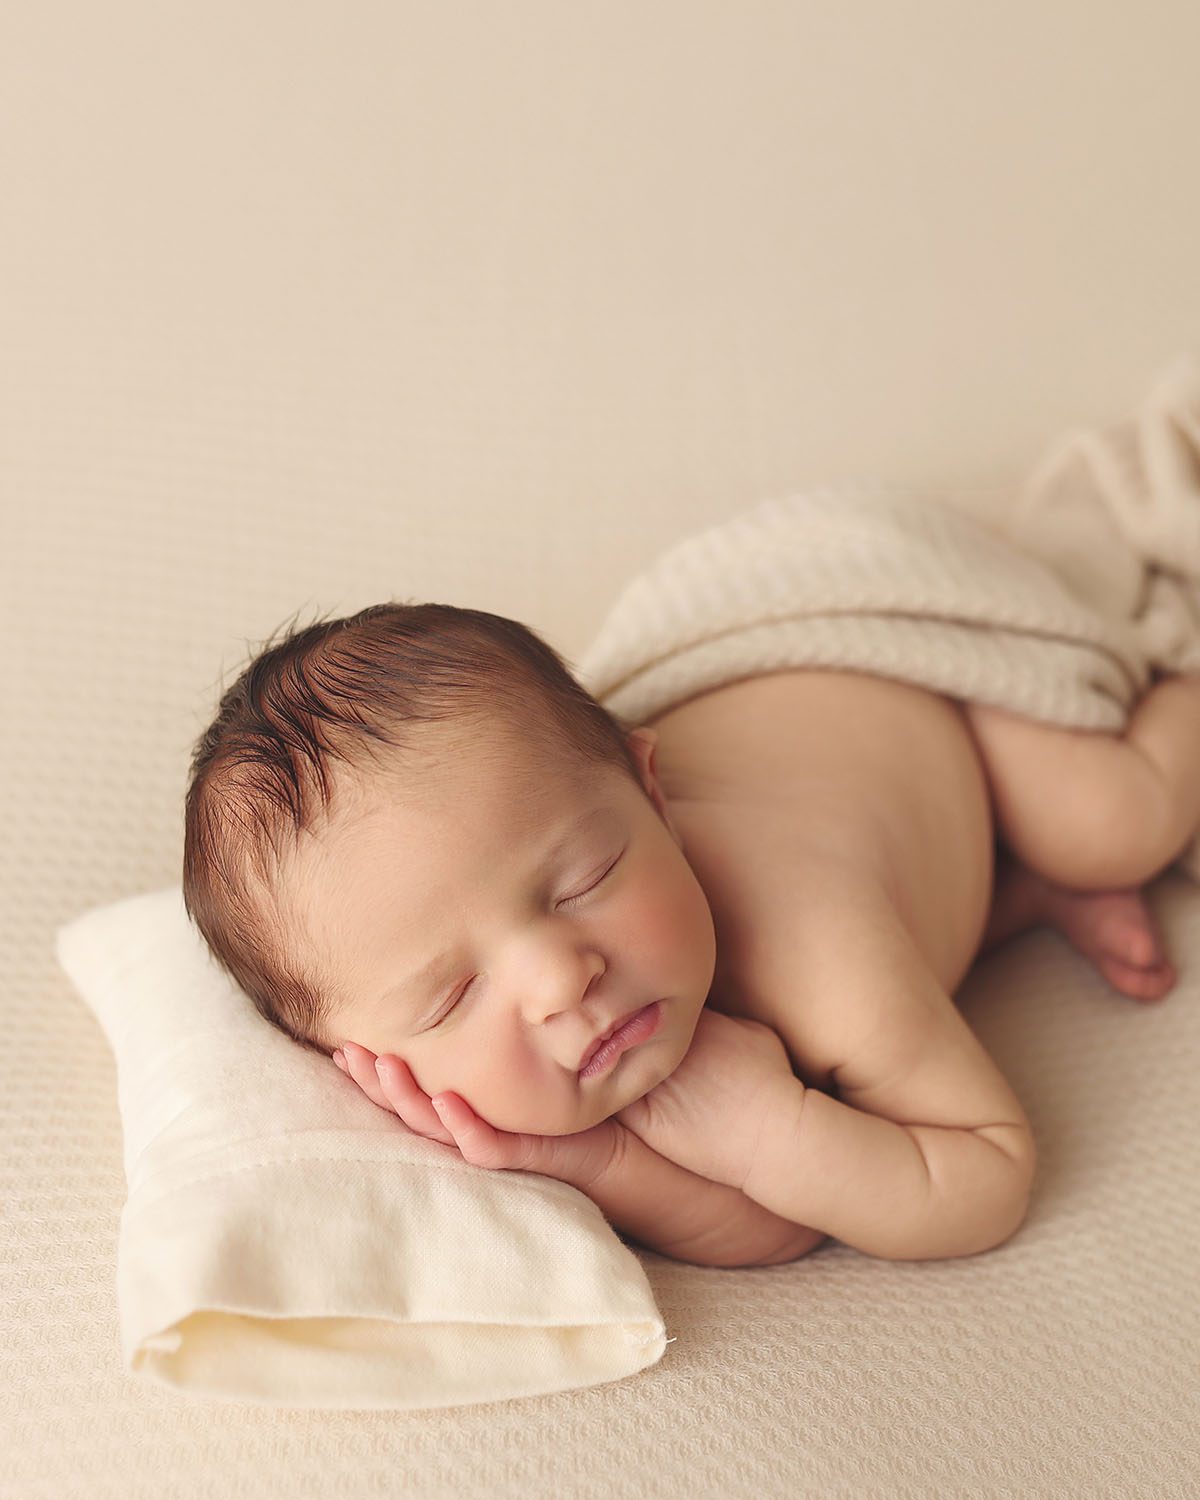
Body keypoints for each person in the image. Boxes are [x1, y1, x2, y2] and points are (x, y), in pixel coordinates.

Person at [182, 602, 1200, 1266]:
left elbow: (985, 1178)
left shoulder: (816, 945)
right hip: (888, 826)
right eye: (451, 997)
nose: (560, 978)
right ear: (364, 1062)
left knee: (1113, 824)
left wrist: (775, 1128)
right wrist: (600, 1164)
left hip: (921, 694)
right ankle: (1012, 887)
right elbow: (782, 1223)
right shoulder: (571, 1041)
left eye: (588, 877)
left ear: (654, 797)